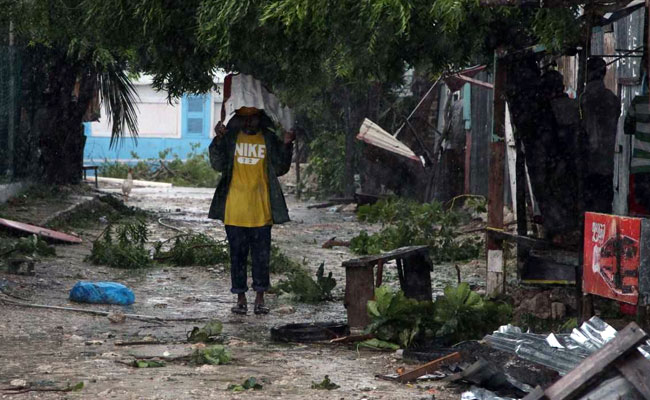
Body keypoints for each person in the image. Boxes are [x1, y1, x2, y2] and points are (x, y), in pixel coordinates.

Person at [208, 107, 295, 315]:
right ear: (238, 120)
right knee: (237, 256)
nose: (248, 123)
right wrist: (217, 140)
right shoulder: (230, 139)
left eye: (253, 118)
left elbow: (281, 167)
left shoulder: (269, 139)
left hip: (261, 211)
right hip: (234, 210)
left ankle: (260, 298)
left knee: (261, 257)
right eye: (243, 119)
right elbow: (217, 164)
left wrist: (286, 143)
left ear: (260, 119)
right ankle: (240, 298)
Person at [580, 57, 620, 214]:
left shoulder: (585, 98)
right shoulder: (613, 100)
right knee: (603, 209)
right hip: (606, 164)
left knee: (589, 210)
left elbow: (588, 132)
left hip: (588, 164)